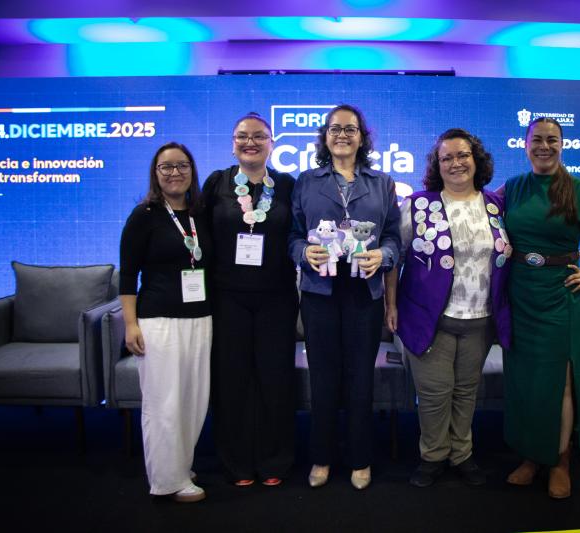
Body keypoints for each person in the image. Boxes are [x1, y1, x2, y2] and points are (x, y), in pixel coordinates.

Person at [503, 117, 580, 499]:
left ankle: (559, 459)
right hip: (520, 296)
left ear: (562, 144)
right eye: (537, 139)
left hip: (561, 298)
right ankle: (531, 456)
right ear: (525, 145)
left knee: (561, 384)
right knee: (525, 382)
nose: (544, 146)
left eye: (552, 140)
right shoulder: (512, 188)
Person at [384, 129, 511, 488]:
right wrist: (390, 303)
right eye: (447, 158)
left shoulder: (496, 205)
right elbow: (395, 257)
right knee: (434, 393)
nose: (456, 163)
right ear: (437, 165)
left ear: (476, 160)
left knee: (466, 392)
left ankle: (462, 454)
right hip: (429, 318)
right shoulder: (418, 205)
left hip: (480, 318)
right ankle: (433, 456)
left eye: (463, 155)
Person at [289, 104, 401, 490]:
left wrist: (383, 256)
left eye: (350, 129)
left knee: (359, 377)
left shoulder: (382, 183)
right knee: (323, 378)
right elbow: (292, 236)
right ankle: (321, 457)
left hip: (363, 291)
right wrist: (302, 252)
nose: (342, 135)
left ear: (361, 137)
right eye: (335, 129)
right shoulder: (306, 181)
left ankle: (360, 458)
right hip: (319, 292)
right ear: (324, 136)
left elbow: (393, 237)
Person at [202, 113, 298, 487]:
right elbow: (200, 236)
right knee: (232, 380)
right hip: (228, 297)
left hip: (277, 298)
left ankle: (275, 461)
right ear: (233, 144)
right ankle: (237, 463)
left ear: (271, 143)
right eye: (242, 136)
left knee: (276, 379)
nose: (250, 142)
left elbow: (300, 234)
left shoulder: (287, 185)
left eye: (259, 136)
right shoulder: (217, 182)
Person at [119, 142, 212, 503]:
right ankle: (167, 480)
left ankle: (180, 466)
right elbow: (128, 275)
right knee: (164, 403)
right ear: (155, 174)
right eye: (166, 167)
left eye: (182, 166)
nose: (175, 173)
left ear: (192, 171)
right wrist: (130, 324)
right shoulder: (144, 216)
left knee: (193, 401)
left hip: (200, 318)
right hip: (159, 321)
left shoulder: (200, 214)